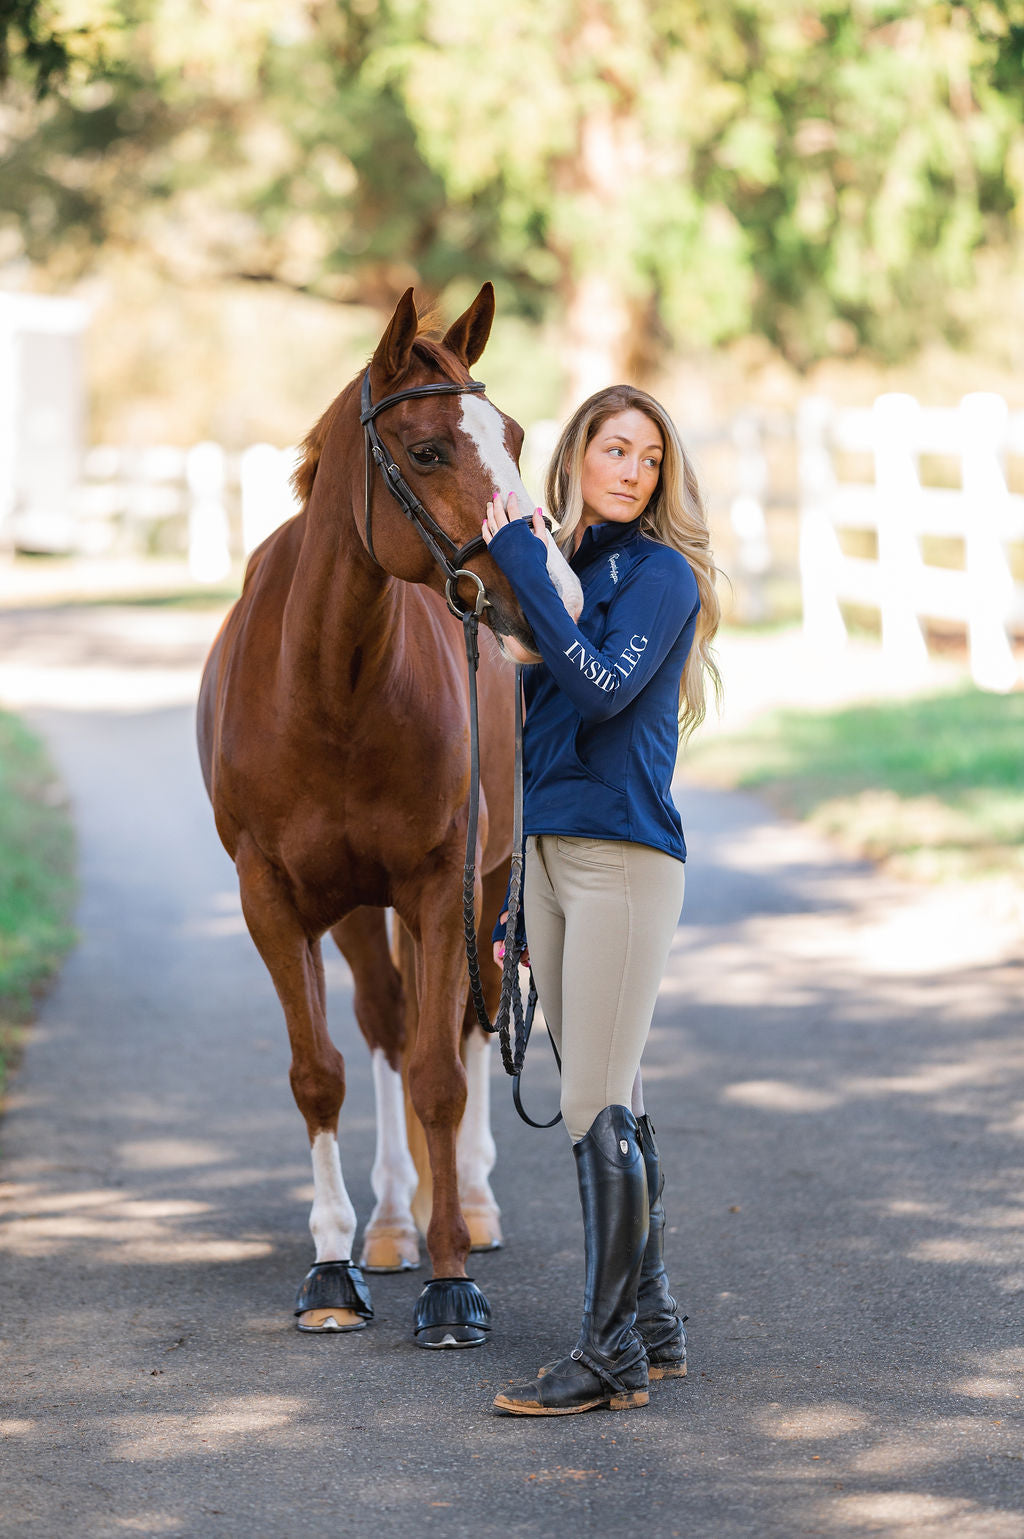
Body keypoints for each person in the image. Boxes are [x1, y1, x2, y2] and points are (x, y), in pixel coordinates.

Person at [480, 384, 721, 1417]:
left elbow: (602, 689)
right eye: (614, 449)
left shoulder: (662, 575)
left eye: (649, 458)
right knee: (610, 1090)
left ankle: (610, 1352)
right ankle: (654, 1322)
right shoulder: (569, 569)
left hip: (624, 859)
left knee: (594, 1105)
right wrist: (511, 913)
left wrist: (525, 565)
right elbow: (532, 743)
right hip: (548, 857)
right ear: (577, 455)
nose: (630, 471)